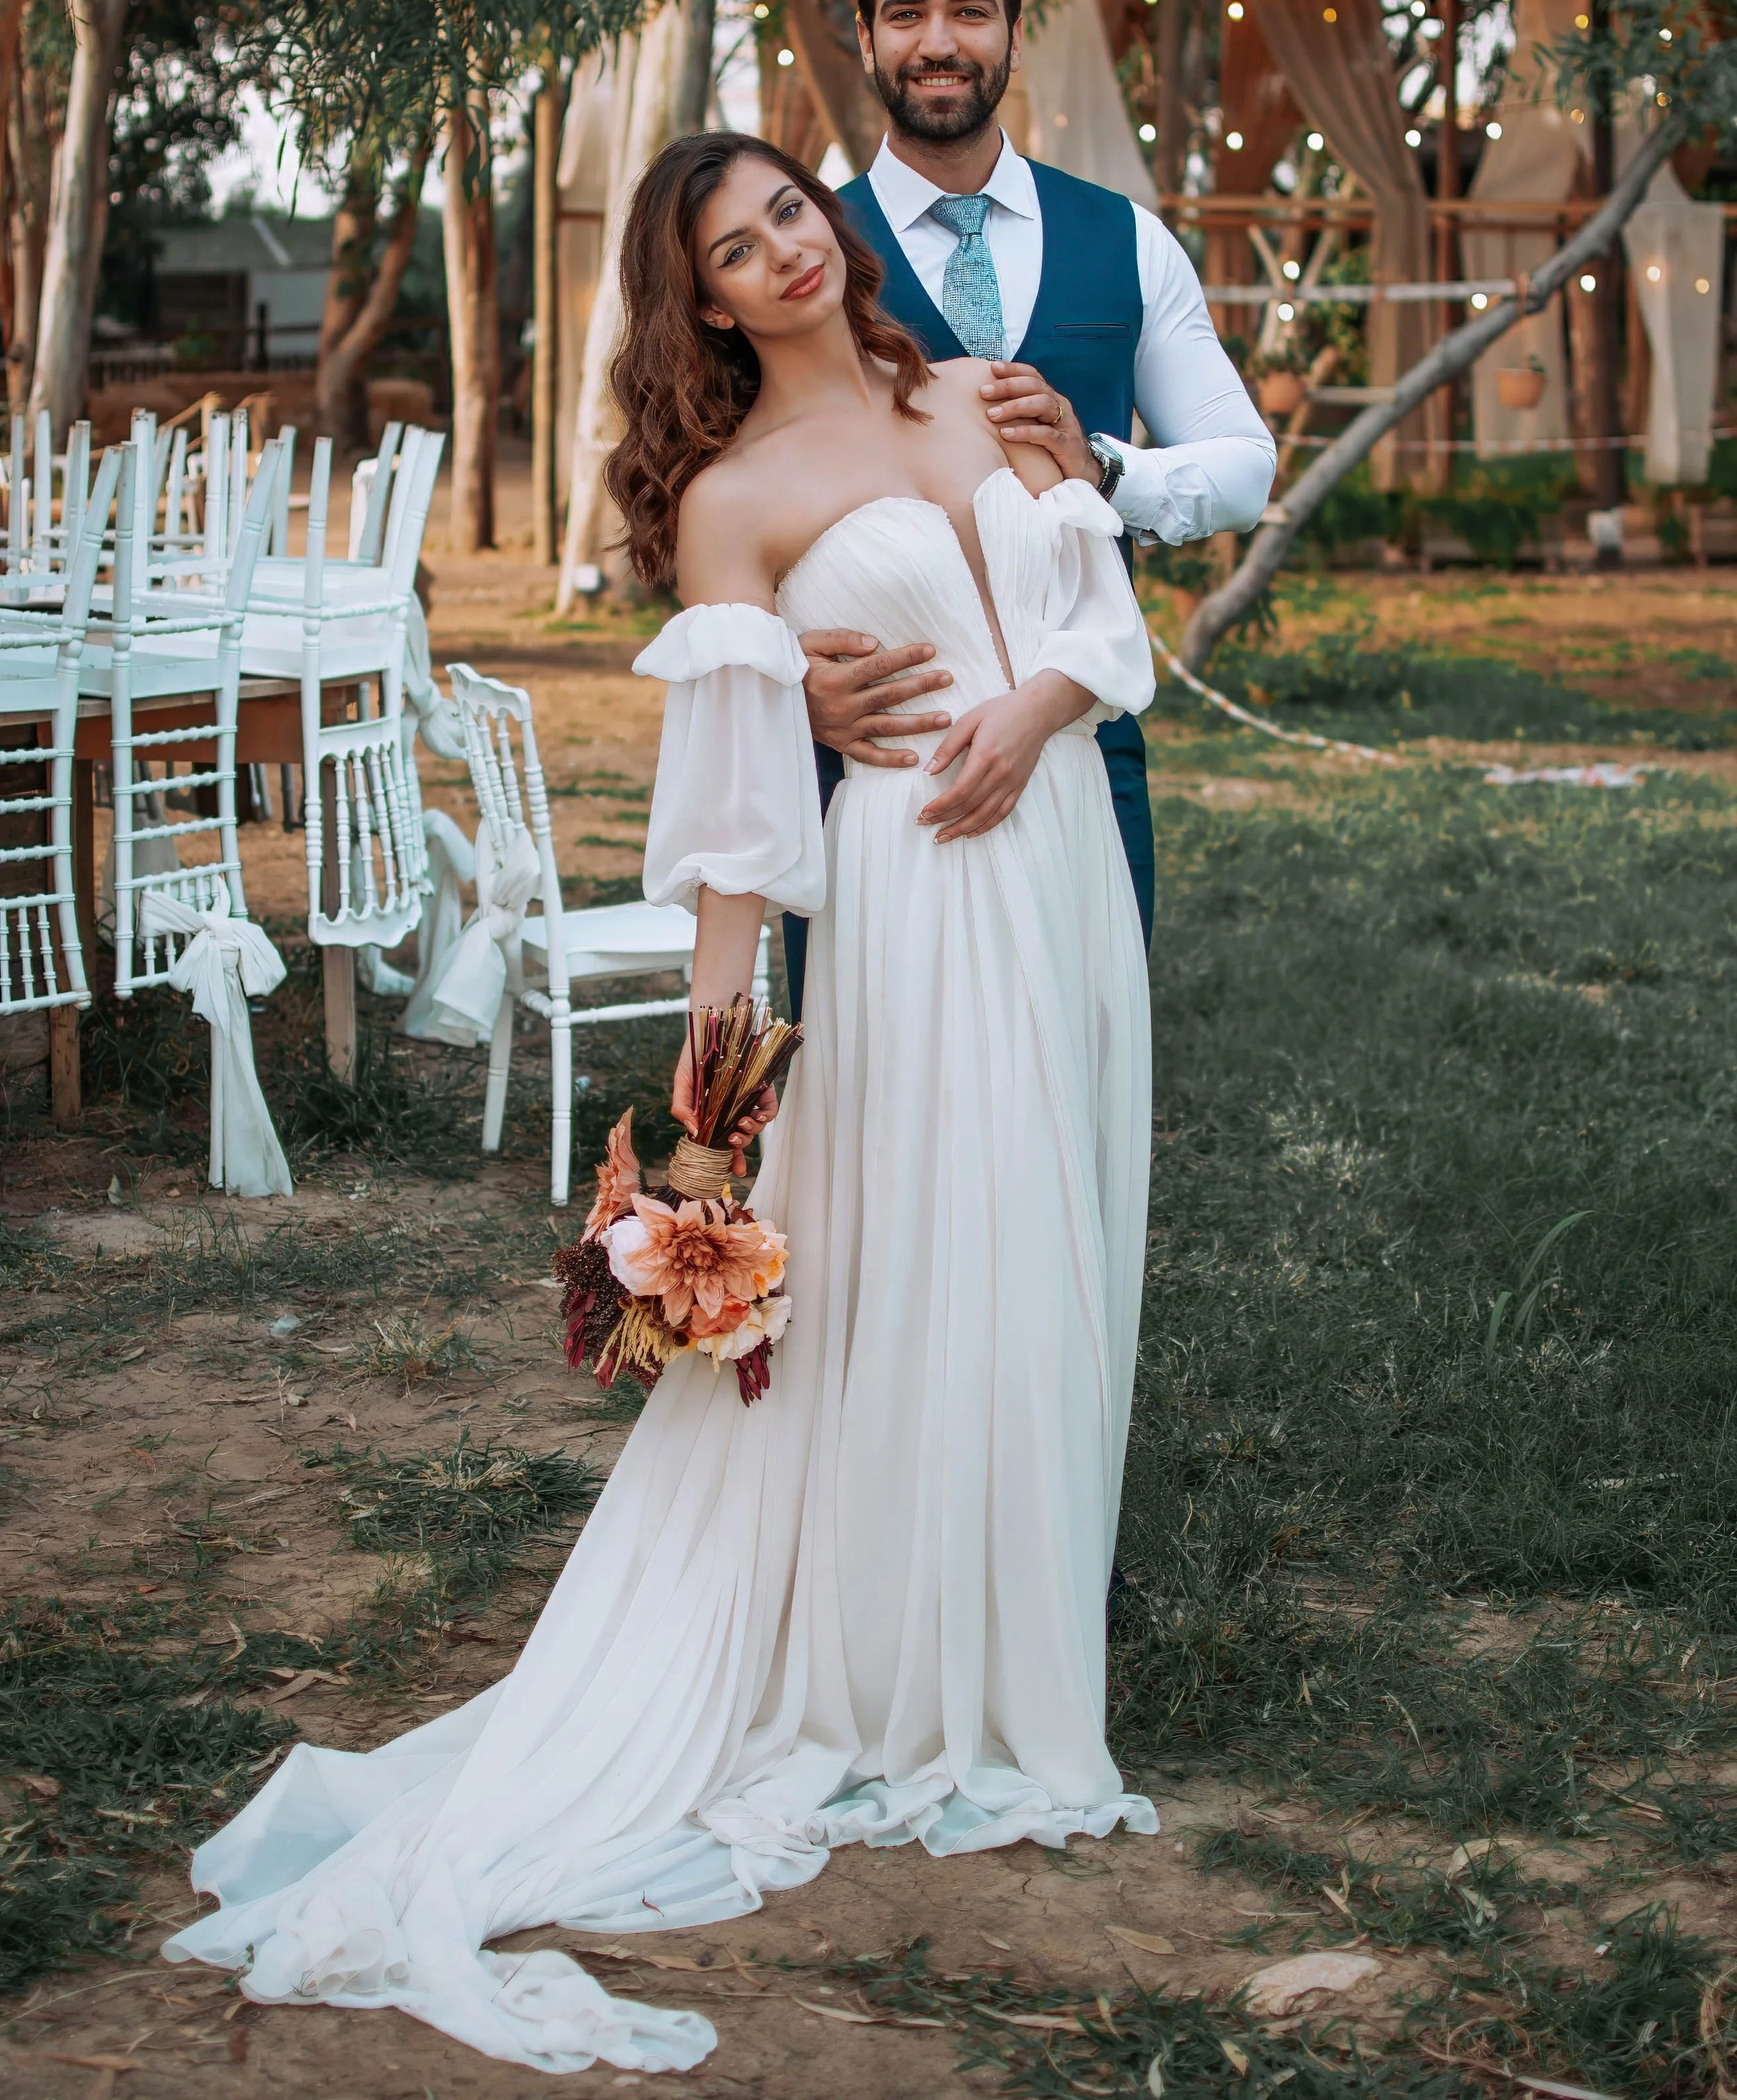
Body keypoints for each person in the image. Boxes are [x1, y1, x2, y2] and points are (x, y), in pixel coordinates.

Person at [160, 131, 1164, 2076]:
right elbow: (728, 851)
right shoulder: (731, 506)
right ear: (699, 296)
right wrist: (709, 1141)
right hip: (912, 909)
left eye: (791, 208)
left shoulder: (986, 394)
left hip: (1060, 884)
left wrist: (1037, 708)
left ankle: (1022, 1637)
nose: (783, 249)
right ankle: (916, 1677)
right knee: (920, 1264)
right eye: (734, 244)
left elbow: (1105, 631)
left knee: (1059, 1240)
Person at [785, 0, 1275, 1017]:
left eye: (971, 11)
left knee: (1079, 1068)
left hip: (1082, 754)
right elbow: (725, 510)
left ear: (1011, 32)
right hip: (875, 771)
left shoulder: (1124, 236)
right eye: (905, 14)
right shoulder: (804, 254)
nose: (939, 42)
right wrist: (785, 682)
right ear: (864, 38)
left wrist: (1107, 469)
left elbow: (1244, 463)